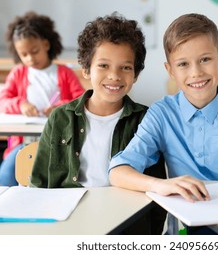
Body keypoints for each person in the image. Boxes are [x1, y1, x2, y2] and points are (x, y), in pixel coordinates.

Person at [109, 13, 218, 234]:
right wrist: (161, 185)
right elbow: (117, 171)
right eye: (183, 64)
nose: (196, 73)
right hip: (192, 221)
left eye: (205, 59)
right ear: (170, 71)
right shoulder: (162, 114)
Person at [30, 13, 167, 234]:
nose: (114, 76)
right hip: (70, 220)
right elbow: (40, 184)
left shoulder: (146, 120)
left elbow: (156, 189)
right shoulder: (60, 118)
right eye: (103, 65)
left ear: (136, 74)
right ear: (86, 69)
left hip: (127, 222)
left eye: (125, 67)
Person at [0, 11, 85, 186]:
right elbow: (0, 102)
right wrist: (20, 104)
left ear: (46, 44)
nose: (30, 58)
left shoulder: (64, 73)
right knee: (7, 176)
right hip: (25, 142)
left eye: (34, 51)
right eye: (23, 54)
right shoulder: (18, 73)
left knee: (56, 179)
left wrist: (61, 107)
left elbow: (82, 100)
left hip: (59, 142)